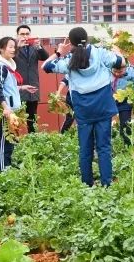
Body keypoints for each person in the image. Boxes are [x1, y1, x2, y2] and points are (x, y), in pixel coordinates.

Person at [43, 27, 127, 187]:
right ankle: (107, 183)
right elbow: (121, 62)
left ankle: (87, 183)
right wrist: (117, 51)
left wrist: (59, 52)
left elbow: (46, 67)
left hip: (83, 109)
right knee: (104, 147)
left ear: (71, 42)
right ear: (87, 38)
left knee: (85, 148)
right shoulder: (100, 53)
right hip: (103, 106)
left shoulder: (68, 60)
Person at [0, 37, 34, 171]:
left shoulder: (8, 65)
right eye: (10, 47)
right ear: (2, 48)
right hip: (5, 110)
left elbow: (7, 87)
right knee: (4, 139)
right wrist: (5, 107)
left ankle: (6, 164)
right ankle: (2, 168)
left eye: (14, 47)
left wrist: (22, 87)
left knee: (11, 138)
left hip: (11, 108)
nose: (13, 50)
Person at [14, 25, 50, 133]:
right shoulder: (13, 49)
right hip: (18, 88)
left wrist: (39, 46)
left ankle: (32, 141)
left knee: (32, 119)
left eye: (27, 34)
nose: (25, 36)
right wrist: (17, 47)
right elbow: (8, 60)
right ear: (17, 36)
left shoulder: (34, 47)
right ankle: (14, 143)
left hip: (33, 88)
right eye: (22, 34)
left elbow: (45, 57)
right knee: (15, 119)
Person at [111, 63, 134, 146]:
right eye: (115, 71)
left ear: (125, 68)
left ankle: (127, 145)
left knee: (125, 124)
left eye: (120, 72)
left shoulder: (131, 71)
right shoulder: (107, 70)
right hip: (110, 99)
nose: (117, 74)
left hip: (125, 100)